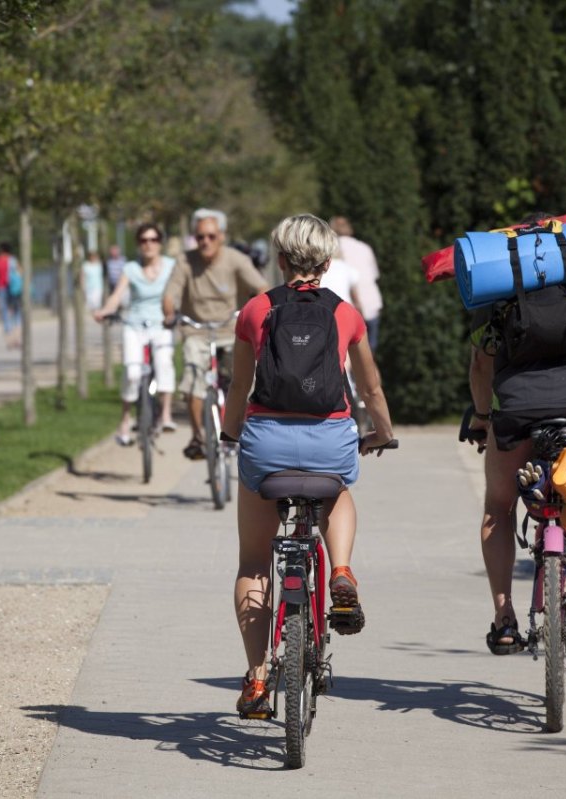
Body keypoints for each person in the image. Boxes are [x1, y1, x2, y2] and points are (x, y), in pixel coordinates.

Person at [221, 213, 395, 716]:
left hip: (266, 445)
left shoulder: (255, 310)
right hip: (329, 442)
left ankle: (257, 680)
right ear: (326, 260)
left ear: (279, 259)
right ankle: (341, 570)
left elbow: (238, 387)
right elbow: (370, 389)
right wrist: (382, 433)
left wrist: (232, 431)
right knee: (337, 490)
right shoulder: (345, 314)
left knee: (254, 562)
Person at [464, 214, 566, 655]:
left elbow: (482, 364)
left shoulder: (501, 291)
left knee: (497, 509)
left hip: (518, 405)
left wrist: (483, 417)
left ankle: (504, 617)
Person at [162, 208, 268, 460]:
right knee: (193, 381)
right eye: (200, 237)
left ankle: (241, 429)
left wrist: (263, 311)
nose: (205, 242)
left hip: (230, 330)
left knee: (245, 380)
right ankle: (198, 437)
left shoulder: (235, 260)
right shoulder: (185, 261)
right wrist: (169, 313)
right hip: (196, 331)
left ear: (221, 236)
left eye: (211, 236)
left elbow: (262, 287)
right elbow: (170, 294)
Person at [92, 223, 177, 444]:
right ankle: (125, 418)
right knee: (131, 373)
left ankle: (165, 414)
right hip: (135, 325)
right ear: (138, 244)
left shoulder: (171, 266)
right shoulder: (130, 268)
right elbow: (117, 294)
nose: (148, 245)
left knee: (165, 364)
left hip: (161, 324)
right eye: (143, 241)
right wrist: (105, 310)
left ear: (160, 243)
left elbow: (180, 292)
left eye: (153, 240)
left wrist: (177, 313)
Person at [330, 216, 382, 350]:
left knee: (348, 356)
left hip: (349, 309)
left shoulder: (332, 250)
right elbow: (374, 276)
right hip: (372, 304)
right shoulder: (364, 247)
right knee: (369, 356)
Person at [0, 242, 22, 349]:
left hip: (2, 288)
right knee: (17, 313)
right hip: (14, 289)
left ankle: (9, 340)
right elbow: (20, 273)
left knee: (5, 314)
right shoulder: (13, 260)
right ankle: (17, 338)